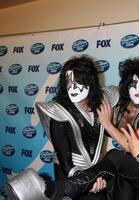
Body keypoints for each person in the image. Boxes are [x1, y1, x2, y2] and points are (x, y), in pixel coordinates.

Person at [6, 65, 139, 200]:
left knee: (116, 157)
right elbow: (137, 149)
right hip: (137, 173)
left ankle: (53, 190)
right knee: (119, 166)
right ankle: (55, 189)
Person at [35, 55, 115, 200]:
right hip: (68, 174)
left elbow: (119, 136)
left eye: (78, 82)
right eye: (69, 82)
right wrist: (87, 181)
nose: (73, 88)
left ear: (90, 82)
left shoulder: (102, 105)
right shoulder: (59, 112)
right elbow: (66, 164)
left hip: (96, 171)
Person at [97, 57, 139, 199]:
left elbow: (133, 146)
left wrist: (108, 124)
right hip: (128, 166)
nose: (137, 89)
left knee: (116, 156)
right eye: (132, 84)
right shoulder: (123, 106)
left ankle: (79, 183)